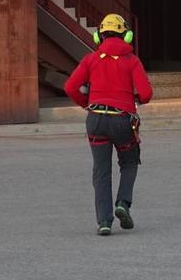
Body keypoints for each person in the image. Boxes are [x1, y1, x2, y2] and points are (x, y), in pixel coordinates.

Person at [64, 13, 153, 236]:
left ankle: (104, 221)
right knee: (129, 162)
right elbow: (146, 93)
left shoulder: (90, 59)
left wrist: (87, 103)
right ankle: (123, 203)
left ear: (99, 36)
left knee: (101, 171)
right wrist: (135, 100)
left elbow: (70, 87)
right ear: (127, 35)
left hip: (95, 119)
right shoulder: (132, 60)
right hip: (122, 120)